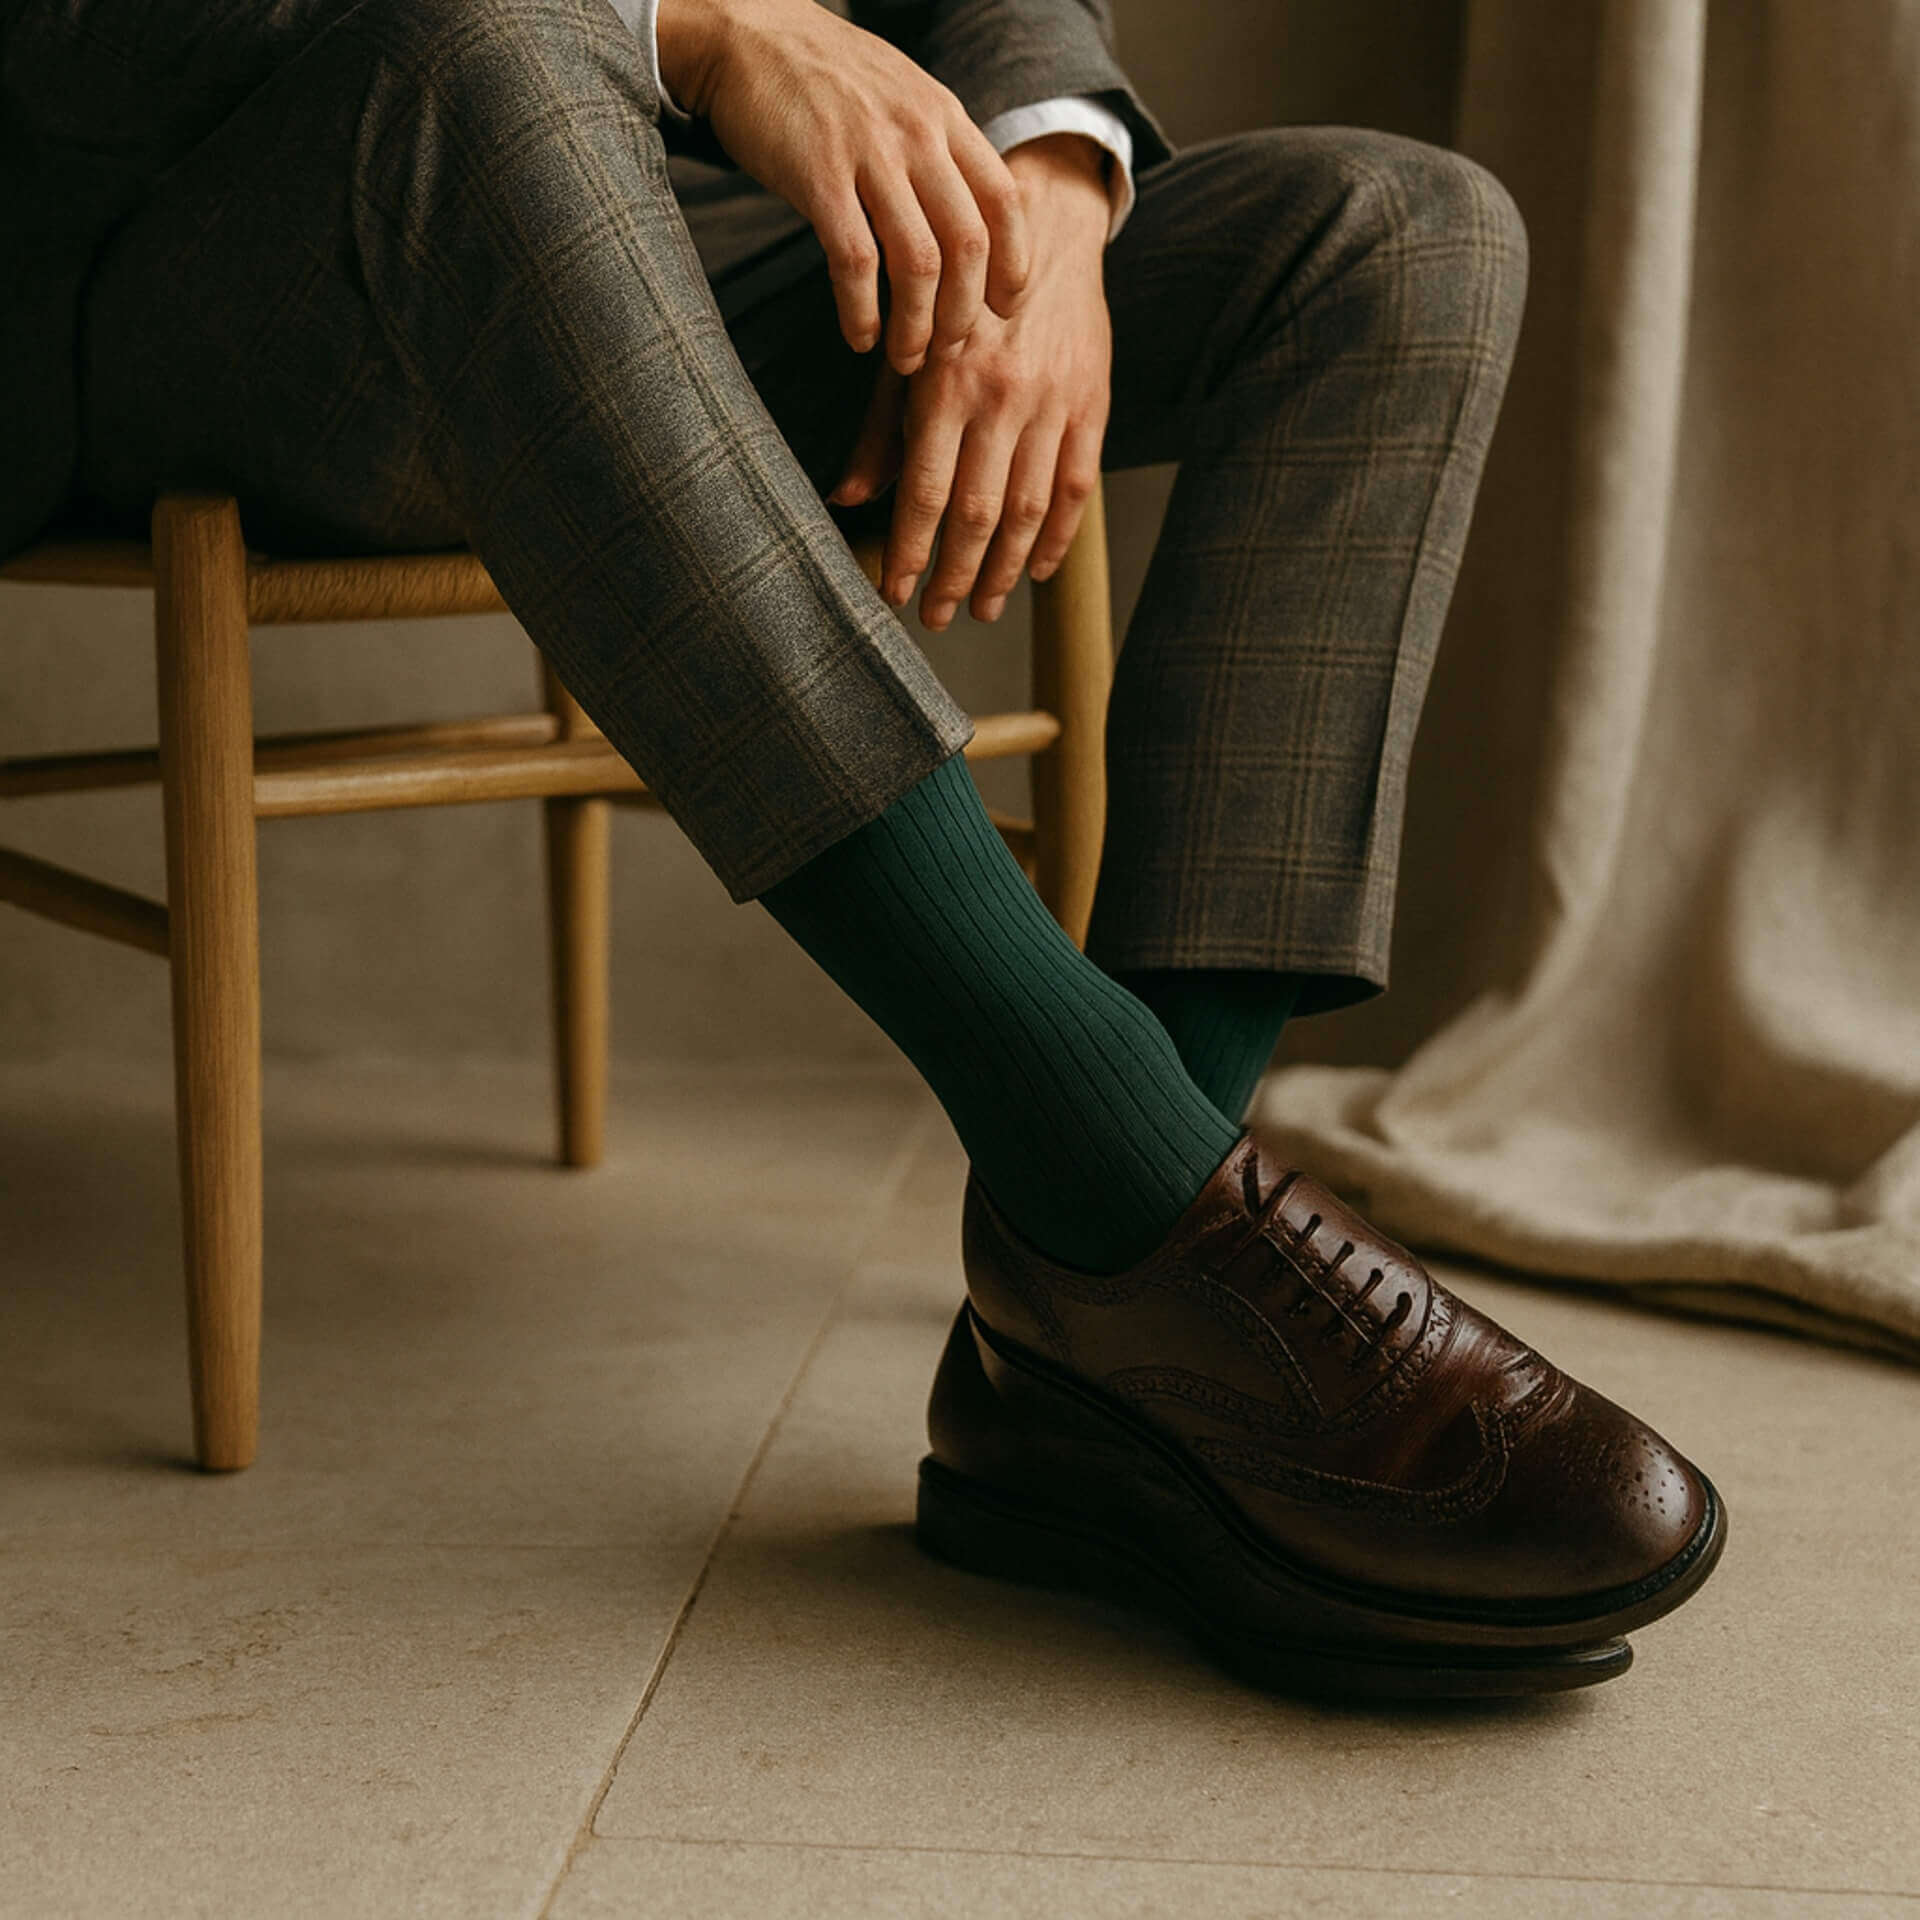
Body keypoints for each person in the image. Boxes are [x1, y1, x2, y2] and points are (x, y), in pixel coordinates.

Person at [1, 0, 1723, 1696]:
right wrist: (689, 25)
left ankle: (1101, 1372)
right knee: (495, 58)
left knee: (1397, 236)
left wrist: (1052, 174)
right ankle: (1118, 1182)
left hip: (705, 247)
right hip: (231, 263)